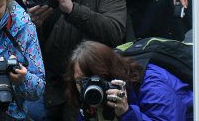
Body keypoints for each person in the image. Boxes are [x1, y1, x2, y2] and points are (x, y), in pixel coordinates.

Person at [24, 0, 126, 121]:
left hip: (89, 82)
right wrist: (33, 25)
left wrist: (72, 9)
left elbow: (115, 33)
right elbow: (23, 48)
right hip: (49, 84)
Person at [65, 40, 193, 120]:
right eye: (81, 81)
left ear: (110, 73)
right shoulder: (88, 94)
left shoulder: (151, 85)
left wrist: (127, 113)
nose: (89, 87)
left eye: (96, 79)